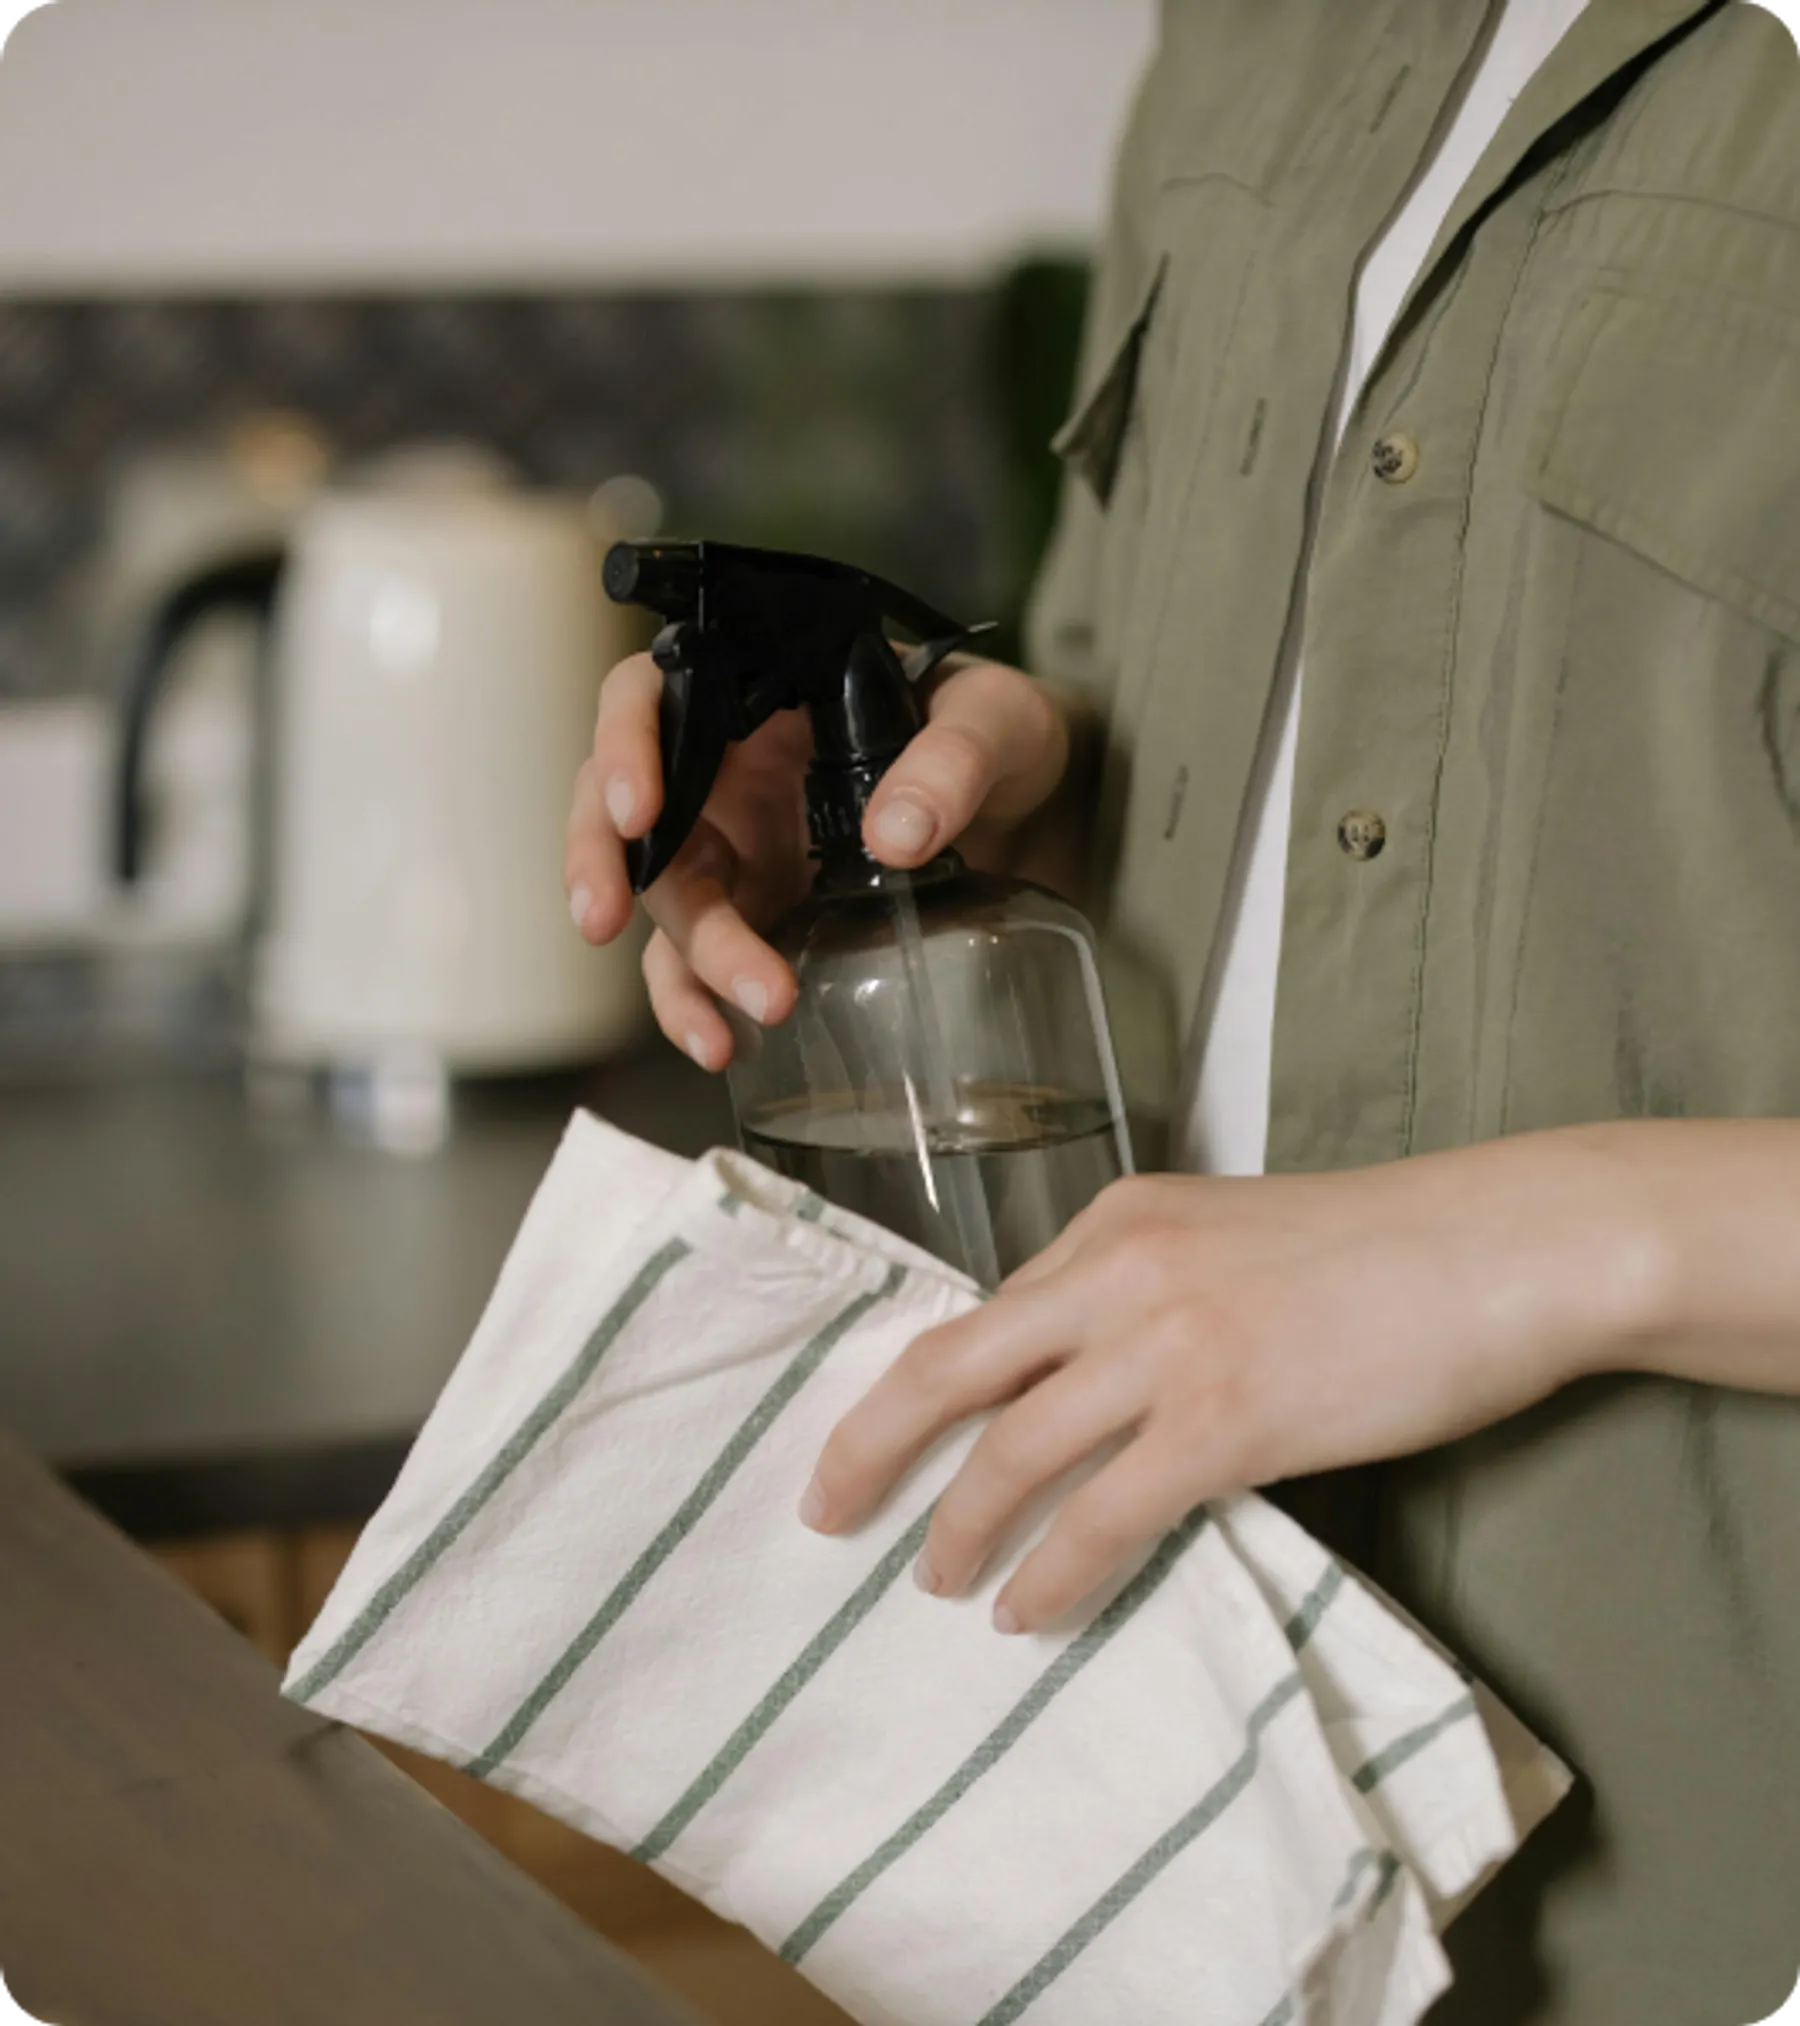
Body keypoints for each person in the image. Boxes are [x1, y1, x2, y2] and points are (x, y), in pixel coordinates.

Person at [564, 4, 1800, 2021]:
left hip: (1709, 1873)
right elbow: (1189, 724)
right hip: (1176, 1830)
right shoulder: (1254, 34)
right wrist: (952, 781)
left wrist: (1540, 1245)